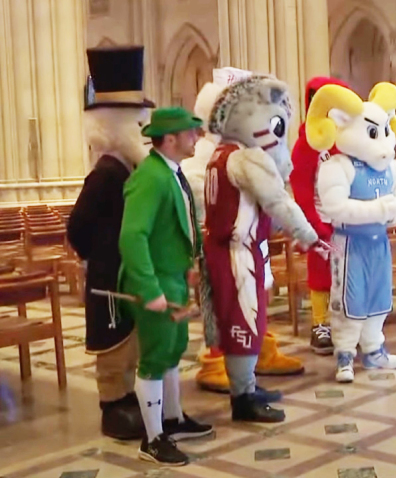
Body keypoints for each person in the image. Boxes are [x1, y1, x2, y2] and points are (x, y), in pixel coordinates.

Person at [203, 74, 326, 422]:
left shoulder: (220, 154)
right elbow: (277, 202)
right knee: (245, 321)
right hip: (237, 252)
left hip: (227, 249)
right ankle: (243, 398)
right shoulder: (246, 158)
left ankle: (247, 385)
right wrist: (308, 234)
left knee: (242, 319)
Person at [183, 68, 299, 400]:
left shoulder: (251, 157)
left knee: (256, 306)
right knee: (228, 312)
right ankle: (219, 362)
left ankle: (259, 352)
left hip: (254, 247)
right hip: (223, 251)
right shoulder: (205, 165)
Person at [67, 45, 154, 440]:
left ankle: (127, 397)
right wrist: (97, 259)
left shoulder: (130, 170)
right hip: (108, 277)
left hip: (126, 274)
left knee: (131, 342)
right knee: (113, 344)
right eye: (137, 125)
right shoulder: (105, 175)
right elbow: (77, 227)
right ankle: (112, 404)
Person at [119, 106, 213, 465]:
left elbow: (182, 220)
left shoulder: (171, 173)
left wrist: (191, 262)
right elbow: (133, 236)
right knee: (156, 358)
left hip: (173, 277)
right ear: (170, 138)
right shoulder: (151, 177)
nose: (196, 138)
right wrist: (148, 288)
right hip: (155, 280)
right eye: (190, 133)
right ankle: (153, 438)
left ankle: (173, 419)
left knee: (173, 351)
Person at [306, 83, 396, 383]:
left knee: (378, 297)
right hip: (348, 243)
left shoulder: (391, 169)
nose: (383, 143)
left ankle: (374, 348)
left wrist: (394, 211)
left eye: (384, 132)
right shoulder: (338, 166)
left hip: (379, 243)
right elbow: (336, 208)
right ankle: (345, 354)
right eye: (373, 133)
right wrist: (380, 209)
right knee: (348, 299)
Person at [291, 76, 352, 355]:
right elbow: (301, 185)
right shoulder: (307, 144)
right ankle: (320, 325)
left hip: (345, 219)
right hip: (321, 220)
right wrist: (312, 223)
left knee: (346, 273)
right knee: (321, 273)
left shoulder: (345, 140)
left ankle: (345, 322)